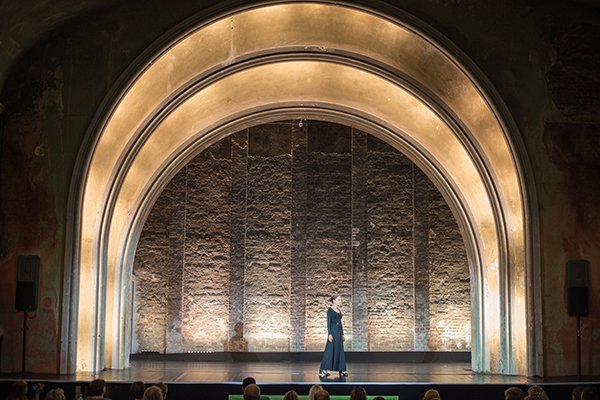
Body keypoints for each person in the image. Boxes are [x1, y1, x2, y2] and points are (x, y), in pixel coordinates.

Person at [319, 295, 347, 377]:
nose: (340, 301)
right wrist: (329, 334)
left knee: (339, 350)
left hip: (339, 332)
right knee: (330, 350)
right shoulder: (330, 311)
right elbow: (329, 323)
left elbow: (340, 323)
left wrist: (342, 334)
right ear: (334, 300)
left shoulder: (339, 310)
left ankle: (341, 369)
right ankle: (324, 369)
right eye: (339, 299)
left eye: (340, 299)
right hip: (333, 332)